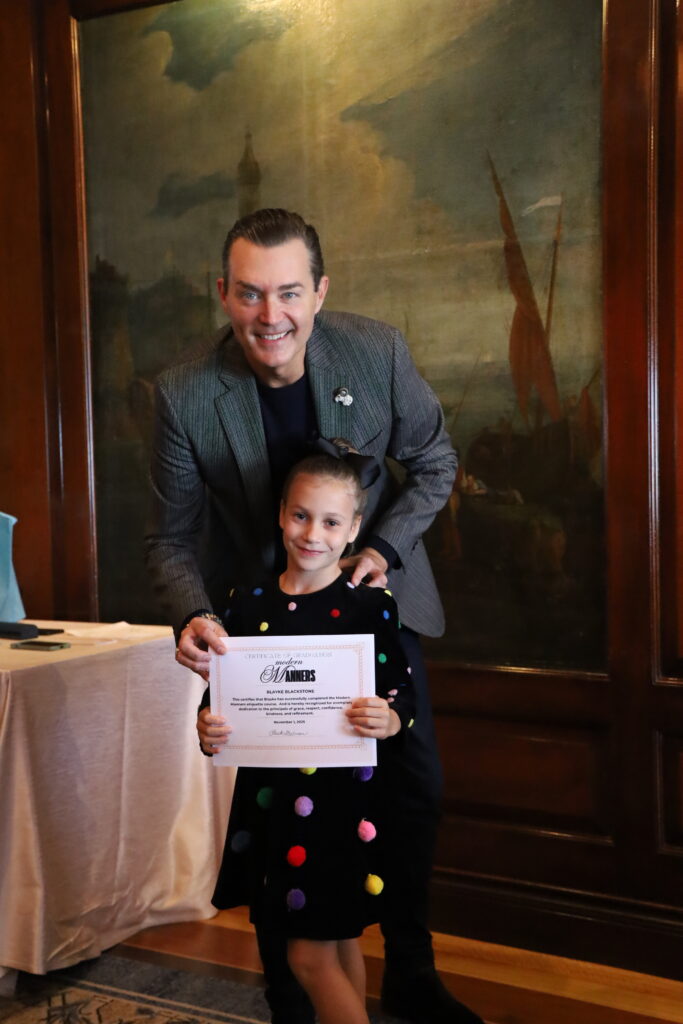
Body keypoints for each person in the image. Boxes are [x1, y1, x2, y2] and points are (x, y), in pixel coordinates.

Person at [145, 208, 483, 1024]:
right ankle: (287, 990)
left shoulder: (377, 352)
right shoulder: (185, 394)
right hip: (262, 631)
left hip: (372, 618)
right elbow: (171, 537)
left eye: (289, 293)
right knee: (272, 805)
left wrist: (385, 551)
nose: (272, 316)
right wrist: (193, 614)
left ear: (319, 291)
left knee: (411, 793)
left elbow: (436, 461)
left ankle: (409, 971)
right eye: (251, 294)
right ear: (222, 293)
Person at [210, 452, 415, 1024]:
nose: (312, 534)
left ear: (353, 529)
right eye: (301, 515)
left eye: (330, 522)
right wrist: (210, 727)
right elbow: (222, 701)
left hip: (343, 802)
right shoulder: (247, 606)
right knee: (335, 942)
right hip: (273, 803)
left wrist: (391, 719)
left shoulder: (370, 607)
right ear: (281, 515)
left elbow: (402, 694)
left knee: (309, 952)